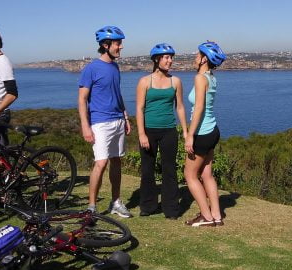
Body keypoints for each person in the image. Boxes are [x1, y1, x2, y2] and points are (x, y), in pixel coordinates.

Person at [78, 25, 132, 218]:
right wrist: (85, 126)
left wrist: (125, 117)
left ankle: (116, 202)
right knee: (100, 163)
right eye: (118, 43)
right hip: (100, 122)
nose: (121, 47)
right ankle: (91, 206)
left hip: (117, 120)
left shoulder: (115, 67)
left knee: (116, 161)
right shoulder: (91, 68)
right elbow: (82, 99)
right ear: (105, 44)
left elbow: (117, 95)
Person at [134, 43, 187, 219]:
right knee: (147, 170)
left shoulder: (176, 81)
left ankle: (171, 209)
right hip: (149, 131)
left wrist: (185, 131)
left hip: (169, 131)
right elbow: (140, 109)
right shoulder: (144, 81)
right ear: (157, 59)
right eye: (166, 57)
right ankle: (148, 206)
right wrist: (141, 133)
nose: (170, 61)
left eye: (171, 57)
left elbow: (180, 107)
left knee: (169, 170)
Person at [184, 41, 227, 227]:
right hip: (212, 131)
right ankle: (216, 215)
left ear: (204, 59)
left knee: (190, 175)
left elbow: (199, 107)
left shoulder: (200, 78)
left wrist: (190, 135)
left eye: (197, 55)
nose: (195, 58)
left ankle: (206, 217)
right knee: (207, 174)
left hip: (201, 133)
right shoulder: (211, 77)